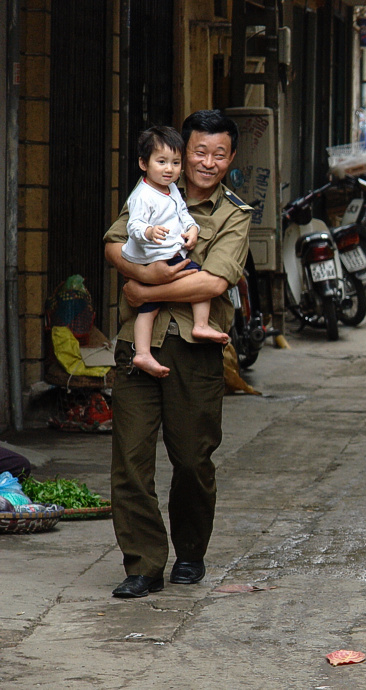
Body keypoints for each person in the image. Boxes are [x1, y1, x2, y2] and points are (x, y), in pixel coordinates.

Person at [103, 109, 251, 599]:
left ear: (231, 159)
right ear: (182, 153)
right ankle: (143, 564)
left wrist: (143, 292)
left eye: (219, 154)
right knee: (130, 460)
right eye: (198, 151)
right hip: (136, 347)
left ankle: (190, 551)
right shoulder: (152, 191)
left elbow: (216, 279)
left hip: (195, 351)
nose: (207, 162)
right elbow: (115, 244)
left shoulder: (234, 214)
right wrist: (149, 277)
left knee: (192, 460)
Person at [121, 126, 229, 378]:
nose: (169, 169)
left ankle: (192, 329)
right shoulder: (142, 194)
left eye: (175, 163)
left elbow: (183, 215)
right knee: (177, 291)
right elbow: (133, 225)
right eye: (161, 162)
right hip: (150, 258)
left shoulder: (171, 190)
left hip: (170, 255)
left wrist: (192, 229)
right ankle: (148, 350)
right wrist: (148, 232)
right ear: (143, 163)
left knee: (152, 303)